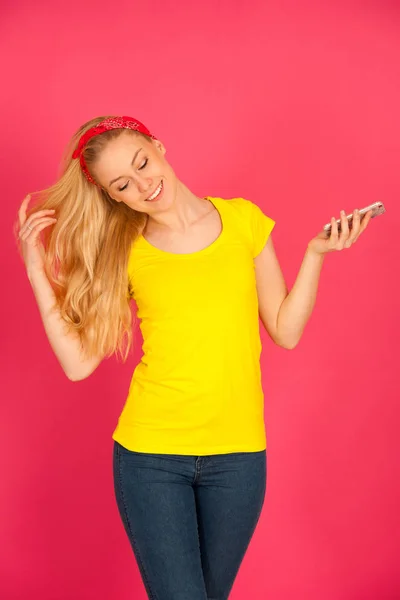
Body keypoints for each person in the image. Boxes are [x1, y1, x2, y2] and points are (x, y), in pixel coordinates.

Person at [15, 115, 372, 600]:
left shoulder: (244, 221)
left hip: (239, 459)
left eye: (143, 163)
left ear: (159, 146)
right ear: (113, 196)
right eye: (124, 184)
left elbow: (285, 331)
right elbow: (78, 364)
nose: (144, 184)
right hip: (151, 459)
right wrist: (37, 271)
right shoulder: (124, 252)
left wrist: (314, 254)